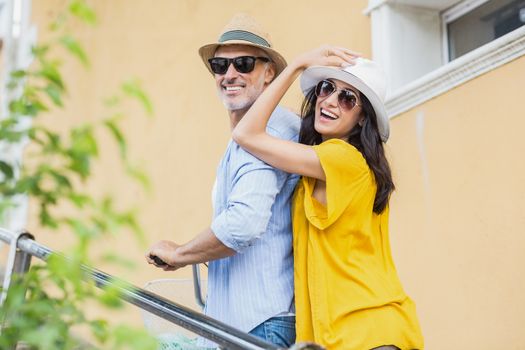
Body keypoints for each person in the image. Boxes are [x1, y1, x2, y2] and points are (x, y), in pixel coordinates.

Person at [232, 46, 425, 350]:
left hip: (368, 332)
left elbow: (247, 133)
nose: (332, 100)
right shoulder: (318, 167)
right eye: (327, 87)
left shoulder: (342, 158)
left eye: (348, 99)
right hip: (350, 335)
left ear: (362, 119)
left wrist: (296, 65)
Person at [145, 14, 300, 347]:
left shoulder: (266, 133)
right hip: (248, 323)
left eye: (244, 64)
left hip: (258, 325)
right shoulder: (257, 135)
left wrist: (181, 253)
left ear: (269, 72)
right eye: (220, 65)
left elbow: (243, 224)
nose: (230, 75)